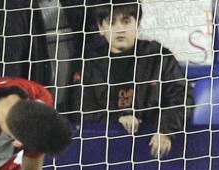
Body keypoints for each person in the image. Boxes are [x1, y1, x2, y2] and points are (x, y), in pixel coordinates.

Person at [74, 0, 191, 158]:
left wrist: (165, 131)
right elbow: (81, 109)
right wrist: (118, 118)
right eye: (111, 22)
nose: (120, 29)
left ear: (138, 23)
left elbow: (181, 97)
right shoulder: (90, 62)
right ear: (101, 28)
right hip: (104, 151)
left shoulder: (158, 57)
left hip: (151, 148)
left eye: (126, 21)